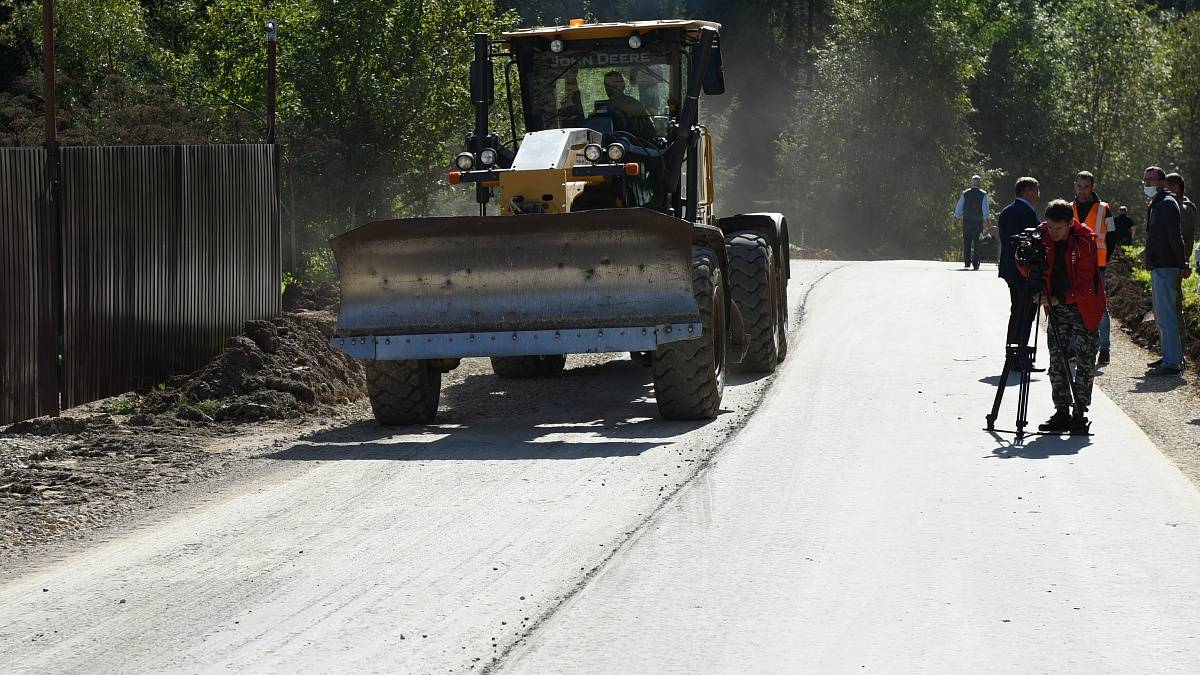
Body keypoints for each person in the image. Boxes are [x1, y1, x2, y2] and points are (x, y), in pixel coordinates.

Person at [1020, 200, 1106, 434]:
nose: (1052, 232)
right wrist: (1024, 262)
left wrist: (1059, 299)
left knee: (1086, 359)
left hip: (1084, 305)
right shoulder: (1040, 234)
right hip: (1056, 304)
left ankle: (1080, 412)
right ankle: (1061, 411)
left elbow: (1087, 285)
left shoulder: (1086, 240)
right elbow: (1028, 268)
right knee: (1057, 359)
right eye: (1049, 227)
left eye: (1058, 229)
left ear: (1070, 223)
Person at [1142, 166, 1188, 376]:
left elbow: (1174, 236)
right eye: (1145, 180)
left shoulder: (1167, 203)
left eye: (1151, 180)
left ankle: (1172, 362)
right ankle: (1169, 356)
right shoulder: (1158, 202)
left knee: (1167, 315)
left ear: (1162, 182)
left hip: (1167, 265)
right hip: (1159, 264)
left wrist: (1182, 264)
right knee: (1162, 314)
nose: (1147, 183)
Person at [1070, 171, 1115, 365]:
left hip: (1098, 266)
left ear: (1092, 187)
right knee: (1072, 305)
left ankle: (1104, 348)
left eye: (1086, 187)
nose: (1082, 191)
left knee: (1100, 307)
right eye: (1079, 186)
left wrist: (1104, 257)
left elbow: (1112, 235)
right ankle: (1072, 349)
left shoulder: (1105, 208)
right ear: (1075, 186)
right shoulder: (1067, 208)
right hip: (1073, 266)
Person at [998, 176, 1041, 347]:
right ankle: (1019, 352)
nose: (1038, 195)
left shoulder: (1006, 211)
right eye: (1036, 191)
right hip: (1024, 269)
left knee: (1016, 310)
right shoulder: (1028, 212)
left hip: (1009, 268)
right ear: (1028, 191)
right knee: (1026, 312)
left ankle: (1012, 349)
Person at [602, 71, 657, 141]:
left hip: (636, 146)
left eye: (620, 81)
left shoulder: (635, 105)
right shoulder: (603, 107)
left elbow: (650, 131)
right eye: (616, 82)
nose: (619, 85)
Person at [954, 175, 990, 270]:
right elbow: (985, 209)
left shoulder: (965, 193)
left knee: (967, 242)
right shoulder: (983, 194)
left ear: (971, 183)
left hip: (966, 221)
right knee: (977, 242)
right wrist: (987, 221)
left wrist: (956, 218)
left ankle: (967, 263)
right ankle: (975, 263)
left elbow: (959, 206)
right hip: (978, 222)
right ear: (980, 183)